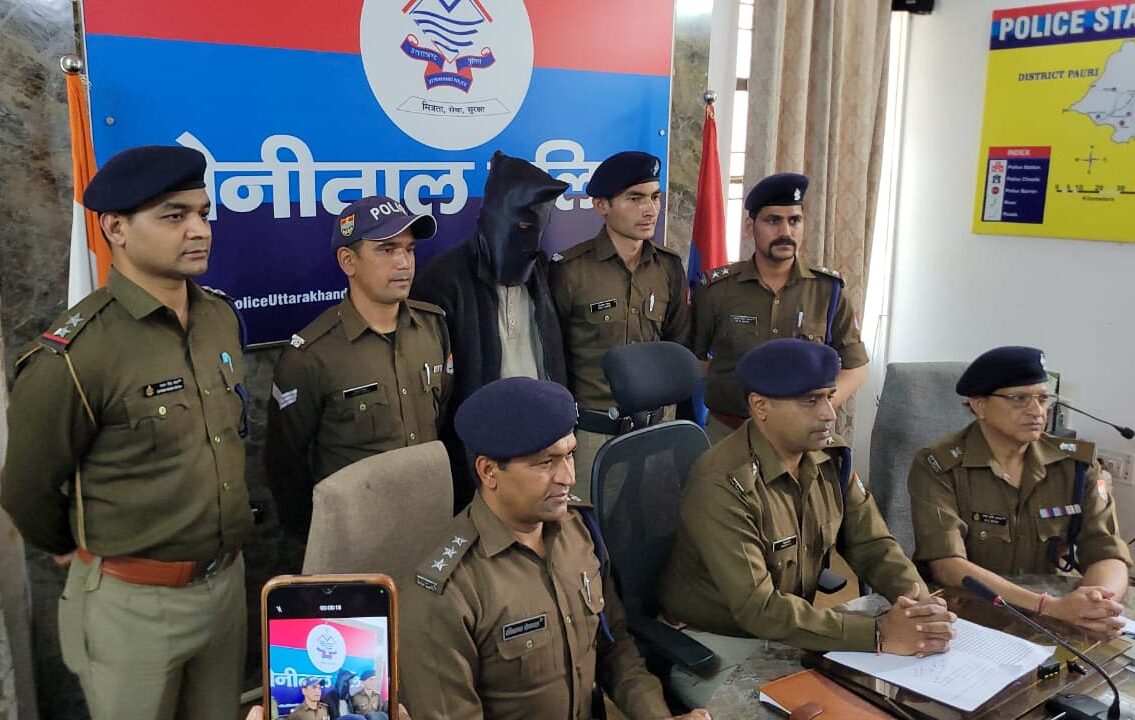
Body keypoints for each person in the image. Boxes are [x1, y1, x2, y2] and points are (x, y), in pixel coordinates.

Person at [0, 145, 251, 720]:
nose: (199, 230)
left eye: (202, 213)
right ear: (115, 228)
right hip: (133, 605)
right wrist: (74, 549)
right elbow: (25, 489)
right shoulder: (78, 353)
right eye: (173, 216)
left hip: (225, 588)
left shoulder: (218, 318)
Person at [658, 339, 955, 707]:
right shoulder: (723, 482)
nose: (829, 413)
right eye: (810, 401)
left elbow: (874, 545)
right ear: (761, 406)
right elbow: (758, 608)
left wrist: (919, 606)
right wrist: (878, 633)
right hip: (714, 646)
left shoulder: (830, 459)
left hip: (790, 632)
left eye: (829, 397)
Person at [400, 377, 711, 720]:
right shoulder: (445, 594)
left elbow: (615, 647)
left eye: (570, 455)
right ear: (489, 472)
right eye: (545, 462)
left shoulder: (580, 531)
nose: (568, 477)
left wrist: (657, 717)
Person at [909, 346, 1131, 636]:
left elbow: (1106, 549)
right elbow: (948, 566)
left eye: (1043, 399)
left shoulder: (1075, 466)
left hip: (1052, 616)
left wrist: (1097, 603)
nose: (1037, 411)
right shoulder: (939, 466)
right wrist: (1049, 606)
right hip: (967, 615)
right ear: (979, 405)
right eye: (1020, 398)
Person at [265, 195, 451, 538]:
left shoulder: (433, 328)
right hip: (355, 539)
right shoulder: (312, 355)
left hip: (430, 527)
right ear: (348, 261)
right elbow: (286, 464)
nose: (404, 262)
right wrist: (315, 540)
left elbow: (443, 418)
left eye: (409, 249)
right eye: (387, 250)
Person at [411, 151, 569, 511]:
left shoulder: (541, 272)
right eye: (522, 227)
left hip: (541, 442)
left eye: (537, 229)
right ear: (493, 217)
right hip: (479, 452)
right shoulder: (443, 281)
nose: (528, 241)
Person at [550, 151, 692, 494]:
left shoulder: (668, 267)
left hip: (654, 436)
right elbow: (553, 361)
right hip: (592, 437)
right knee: (588, 526)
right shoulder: (570, 271)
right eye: (635, 198)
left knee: (652, 525)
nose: (650, 209)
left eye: (655, 197)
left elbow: (679, 346)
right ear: (602, 205)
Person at [692, 172, 868, 443]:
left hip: (802, 436)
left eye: (794, 221)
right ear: (750, 227)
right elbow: (696, 360)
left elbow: (855, 366)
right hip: (729, 434)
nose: (785, 232)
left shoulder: (827, 290)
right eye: (773, 221)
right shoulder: (716, 289)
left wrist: (815, 408)